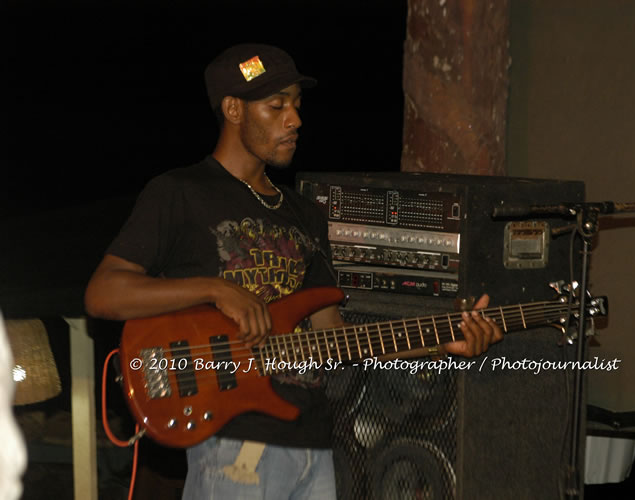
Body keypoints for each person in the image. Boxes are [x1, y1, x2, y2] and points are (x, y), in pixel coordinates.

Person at [84, 43, 503, 500]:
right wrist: (216, 289)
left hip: (314, 443)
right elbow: (103, 293)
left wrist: (441, 340)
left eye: (297, 105)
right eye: (277, 105)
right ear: (233, 110)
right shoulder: (180, 192)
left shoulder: (305, 213)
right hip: (235, 443)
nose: (295, 120)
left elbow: (336, 337)